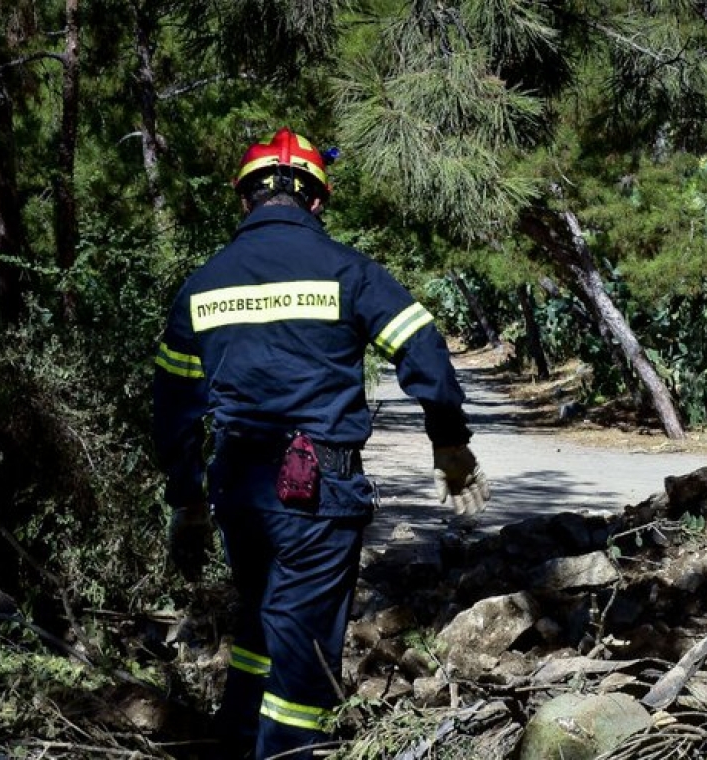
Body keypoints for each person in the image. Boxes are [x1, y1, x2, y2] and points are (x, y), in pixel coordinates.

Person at [152, 127, 490, 759]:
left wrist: (187, 500)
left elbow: (173, 408)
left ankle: (237, 741)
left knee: (260, 619)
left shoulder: (202, 286)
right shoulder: (348, 272)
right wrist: (448, 443)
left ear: (245, 200)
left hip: (240, 494)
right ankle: (283, 751)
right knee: (303, 651)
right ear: (316, 202)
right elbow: (423, 348)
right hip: (318, 493)